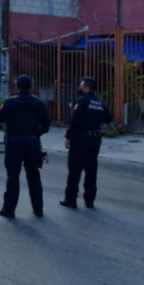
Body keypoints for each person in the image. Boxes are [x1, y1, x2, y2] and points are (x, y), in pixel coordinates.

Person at [0, 75, 50, 218]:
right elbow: (46, 125)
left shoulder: (10, 102)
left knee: (13, 176)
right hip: (32, 142)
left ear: (16, 87)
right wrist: (36, 134)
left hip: (14, 142)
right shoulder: (38, 103)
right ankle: (38, 209)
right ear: (31, 86)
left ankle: (9, 209)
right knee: (33, 175)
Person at [60, 77, 113, 210]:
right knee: (91, 170)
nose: (80, 88)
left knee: (74, 171)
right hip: (94, 139)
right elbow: (108, 118)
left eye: (81, 86)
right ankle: (89, 200)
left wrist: (68, 137)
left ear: (87, 88)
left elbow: (75, 121)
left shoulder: (82, 102)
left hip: (80, 139)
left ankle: (70, 199)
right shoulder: (99, 103)